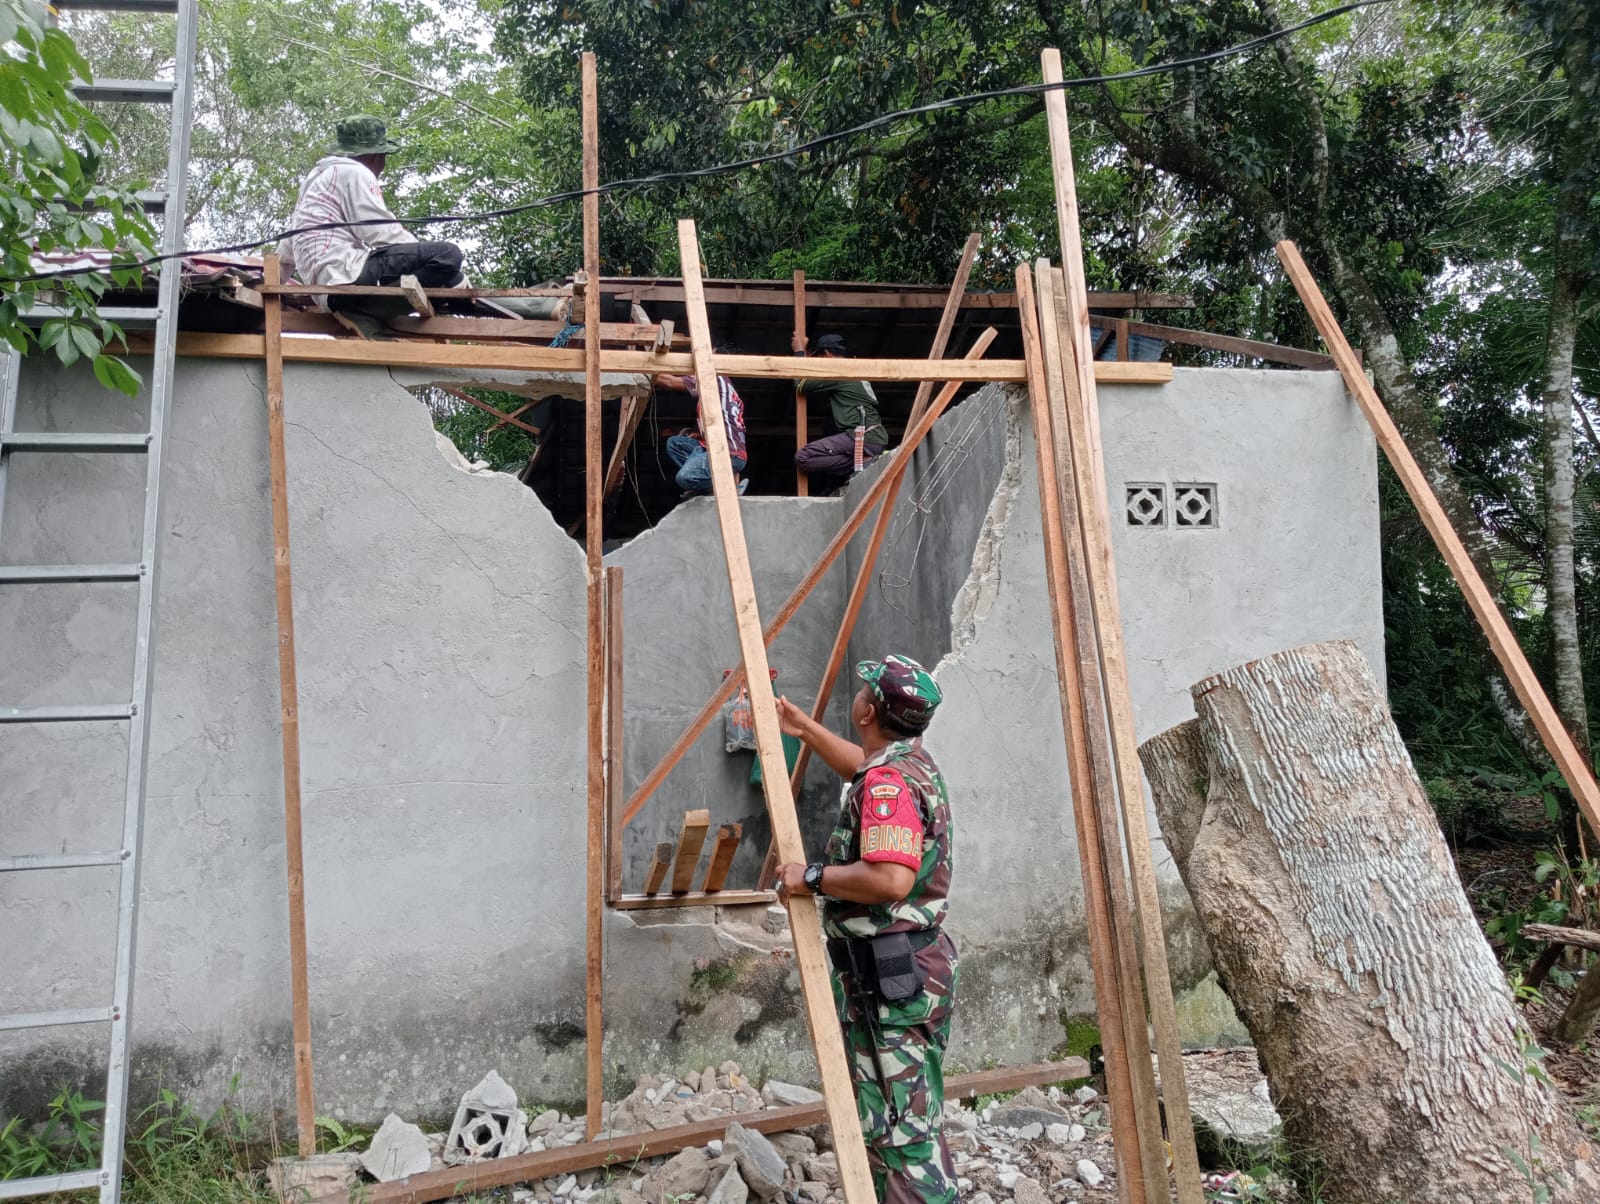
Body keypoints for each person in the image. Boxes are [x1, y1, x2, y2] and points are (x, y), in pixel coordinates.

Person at [774, 655, 957, 1204]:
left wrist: (811, 877)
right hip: (907, 968)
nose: (857, 695)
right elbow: (862, 765)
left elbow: (890, 878)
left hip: (889, 979)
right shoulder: (907, 763)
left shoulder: (889, 785)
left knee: (898, 1134)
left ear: (868, 712)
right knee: (907, 1115)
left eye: (864, 690)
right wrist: (806, 729)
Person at [279, 115, 468, 336]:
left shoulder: (315, 181)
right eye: (384, 157)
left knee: (434, 278)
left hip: (327, 292)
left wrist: (270, 282)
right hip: (345, 276)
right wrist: (453, 275)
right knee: (447, 255)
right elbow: (380, 231)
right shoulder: (355, 172)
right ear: (374, 155)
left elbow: (287, 250)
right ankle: (365, 312)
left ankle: (365, 312)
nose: (383, 165)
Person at [791, 333, 888, 486]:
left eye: (818, 359)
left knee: (803, 457)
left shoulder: (839, 371)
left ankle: (864, 460)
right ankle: (864, 460)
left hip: (863, 436)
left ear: (826, 354)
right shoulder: (853, 369)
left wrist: (799, 353)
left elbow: (801, 385)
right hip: (872, 436)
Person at [653, 365, 749, 497]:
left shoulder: (712, 377)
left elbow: (670, 382)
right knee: (675, 443)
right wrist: (700, 435)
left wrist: (645, 372)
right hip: (716, 448)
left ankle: (727, 487)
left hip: (727, 454)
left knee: (685, 478)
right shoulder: (723, 389)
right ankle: (709, 484)